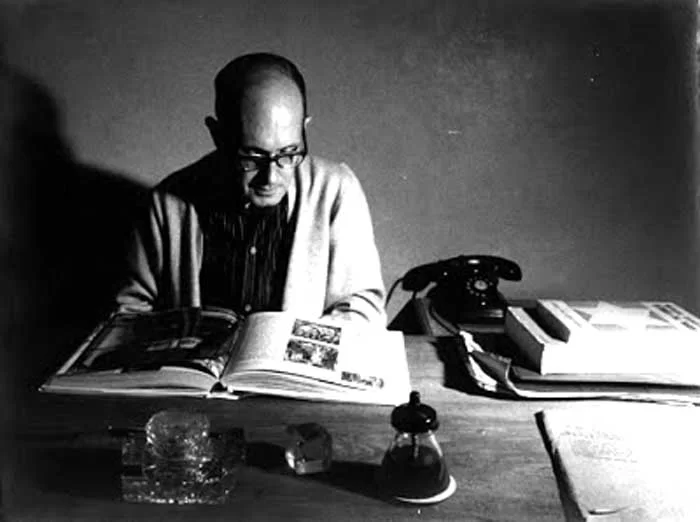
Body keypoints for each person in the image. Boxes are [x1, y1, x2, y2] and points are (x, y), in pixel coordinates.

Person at [116, 53, 386, 325]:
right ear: (217, 136)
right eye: (252, 157)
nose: (271, 178)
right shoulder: (166, 205)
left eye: (288, 153)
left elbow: (364, 310)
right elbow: (128, 315)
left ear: (304, 127)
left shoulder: (337, 190)